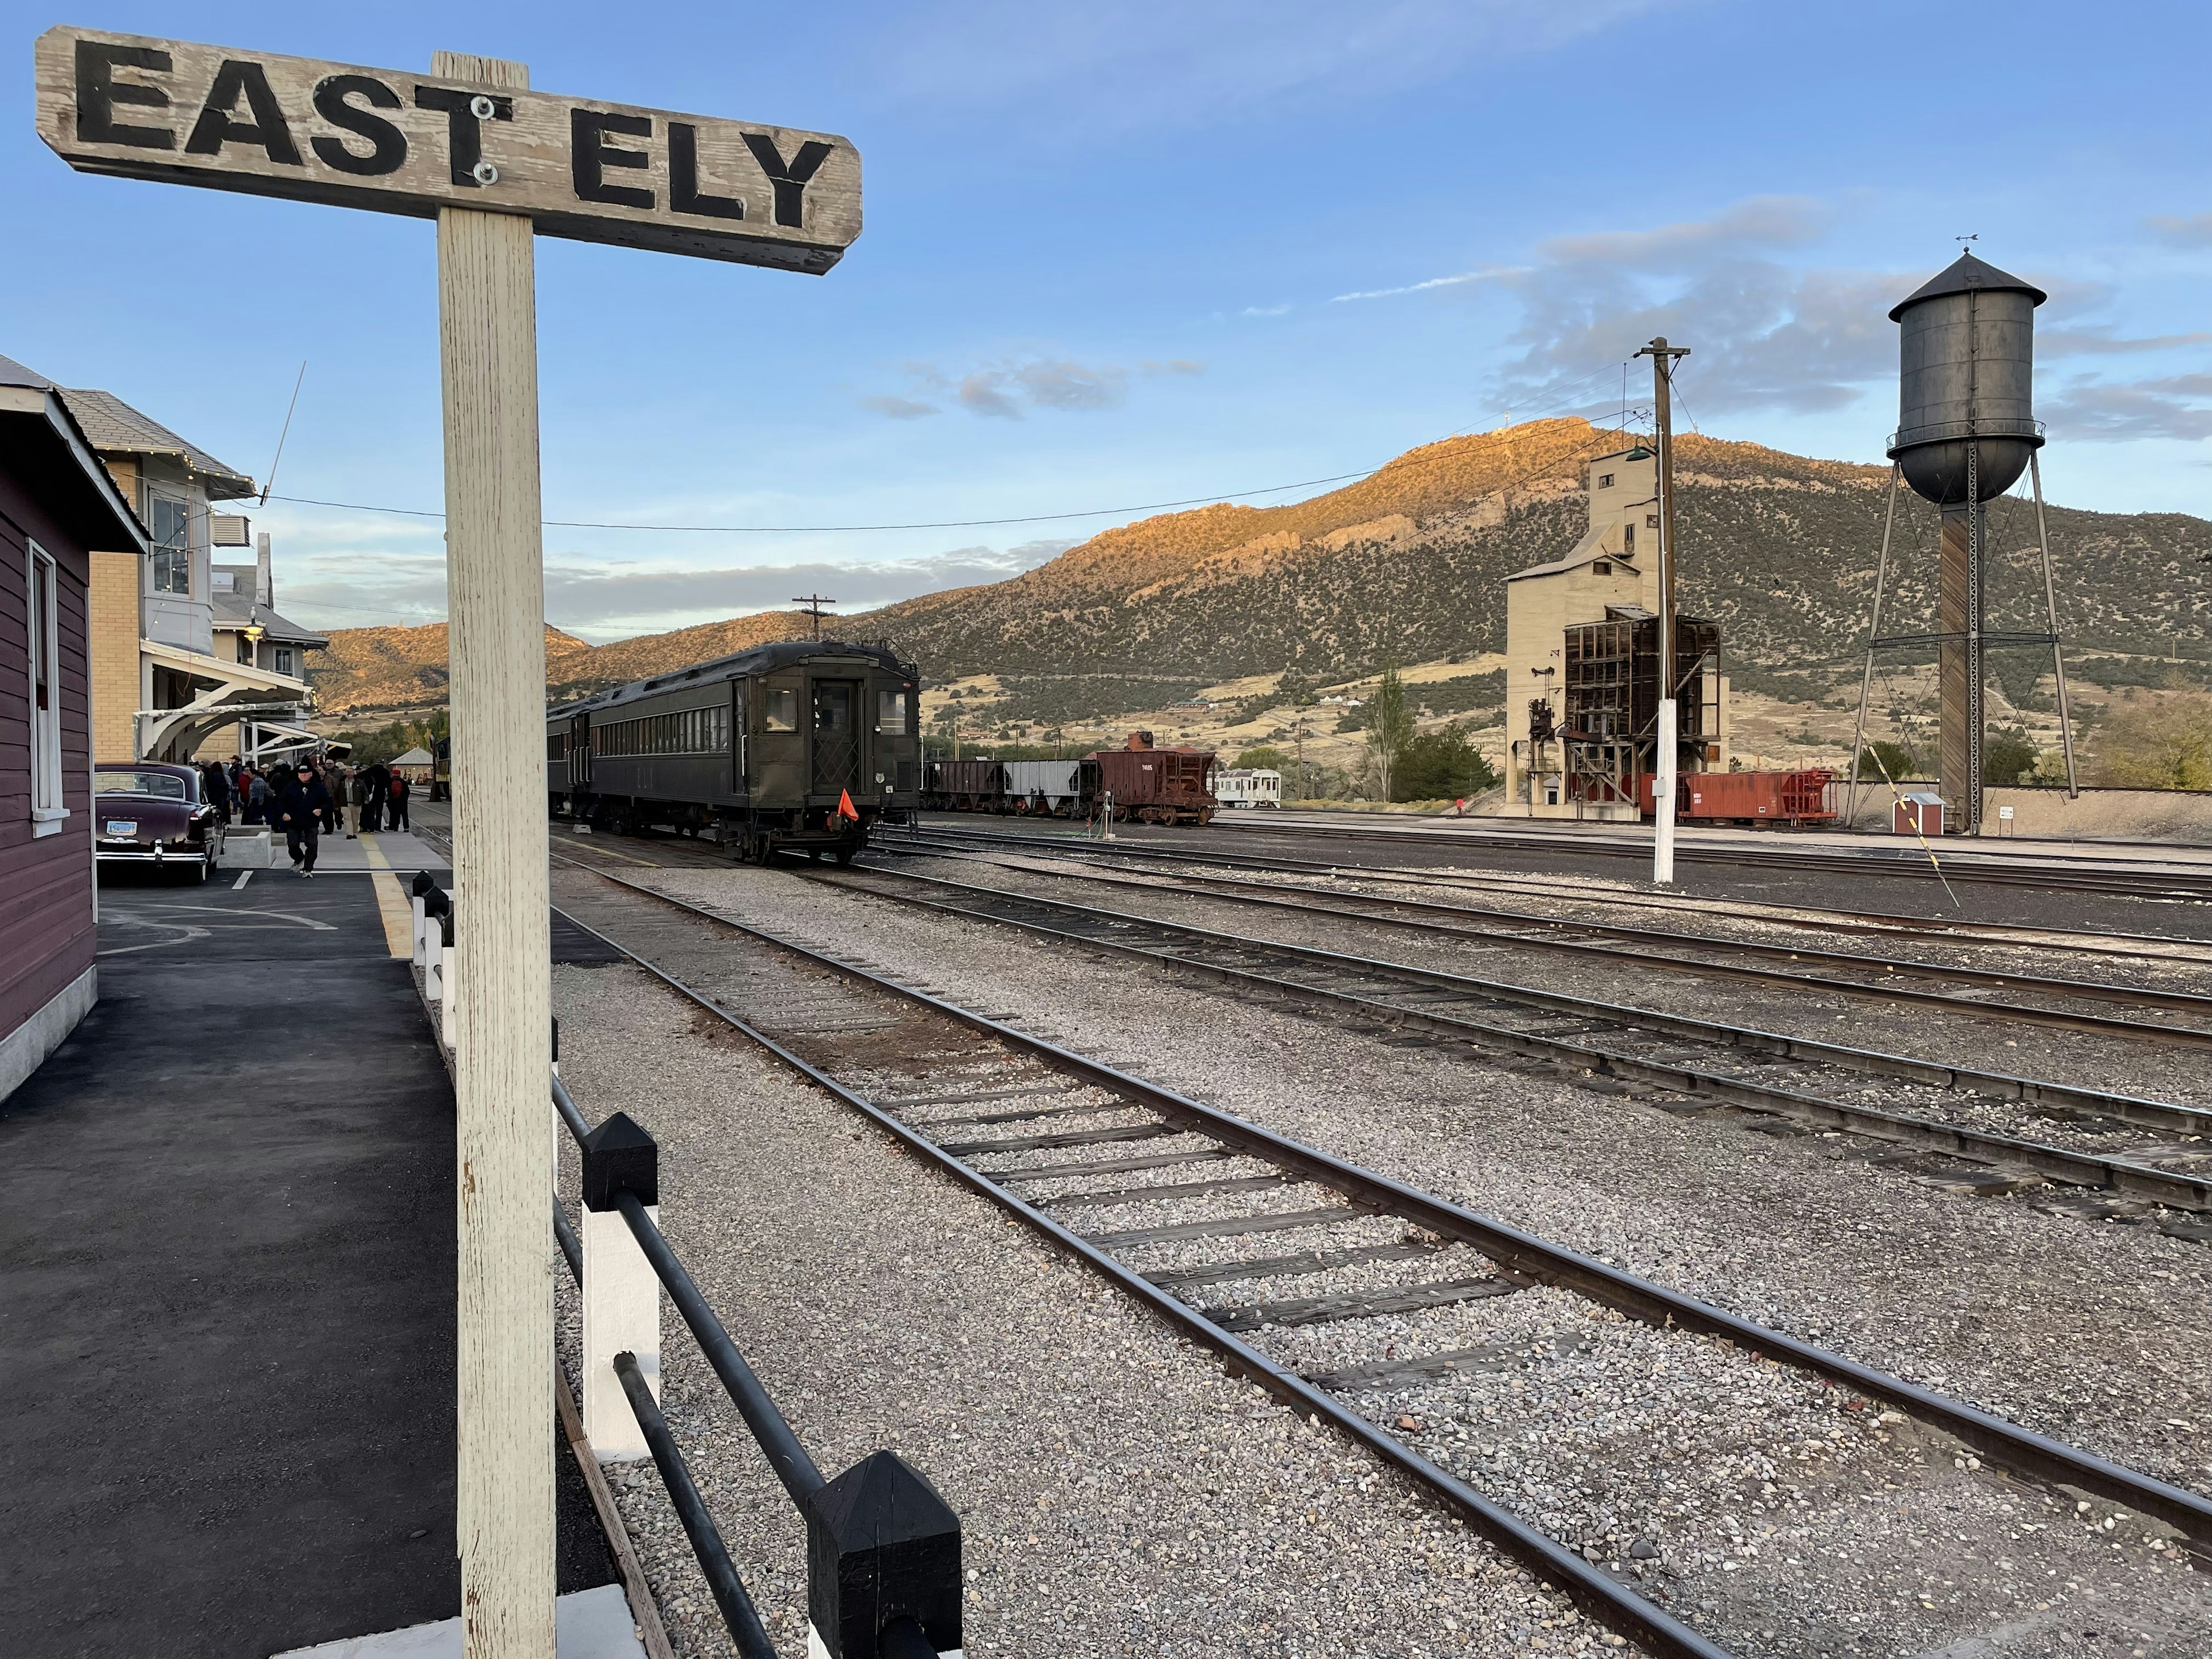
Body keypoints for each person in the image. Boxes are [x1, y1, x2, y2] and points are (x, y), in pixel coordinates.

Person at [275, 762, 331, 877]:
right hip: (293, 821)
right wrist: (284, 813)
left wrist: (321, 810)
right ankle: (299, 858)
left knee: (312, 844)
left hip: (311, 821)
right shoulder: (291, 786)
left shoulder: (318, 787)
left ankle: (308, 869)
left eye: (306, 774)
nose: (303, 776)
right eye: (301, 774)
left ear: (311, 774)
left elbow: (328, 802)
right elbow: (281, 801)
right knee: (293, 844)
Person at [202, 760, 232, 824]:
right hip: (219, 795)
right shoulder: (219, 775)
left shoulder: (213, 774)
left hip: (215, 795)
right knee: (219, 810)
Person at [361, 760, 387, 833]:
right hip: (381, 794)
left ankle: (367, 827)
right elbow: (389, 784)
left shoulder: (370, 771)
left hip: (371, 794)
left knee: (369, 811)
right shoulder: (385, 772)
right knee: (379, 812)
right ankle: (378, 828)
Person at [344, 764, 365, 838]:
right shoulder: (342, 782)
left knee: (355, 819)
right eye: (347, 772)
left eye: (350, 772)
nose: (349, 774)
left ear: (354, 773)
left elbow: (364, 792)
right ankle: (349, 834)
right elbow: (337, 792)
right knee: (348, 819)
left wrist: (366, 800)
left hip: (356, 803)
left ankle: (355, 832)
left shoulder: (359, 782)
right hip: (345, 804)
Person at [388, 767, 411, 832]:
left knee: (396, 814)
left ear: (393, 774)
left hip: (394, 801)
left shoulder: (390, 781)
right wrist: (405, 799)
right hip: (403, 802)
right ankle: (406, 828)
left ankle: (395, 827)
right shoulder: (403, 782)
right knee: (405, 815)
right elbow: (408, 792)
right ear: (400, 774)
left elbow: (388, 792)